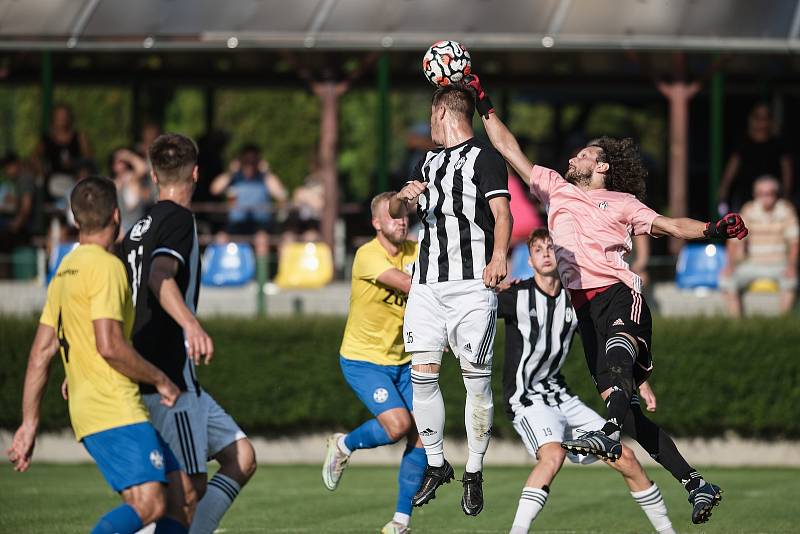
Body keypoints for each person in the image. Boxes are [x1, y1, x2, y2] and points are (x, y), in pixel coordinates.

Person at [467, 73, 748, 524]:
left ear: (602, 168)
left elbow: (674, 226)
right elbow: (508, 149)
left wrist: (713, 231)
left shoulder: (622, 202)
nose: (575, 157)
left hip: (621, 297)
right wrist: (483, 101)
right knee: (631, 411)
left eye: (585, 154)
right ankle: (698, 485)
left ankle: (609, 433)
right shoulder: (555, 187)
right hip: (584, 307)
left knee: (616, 377)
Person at [6, 176, 189, 534]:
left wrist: (29, 423)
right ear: (117, 216)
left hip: (90, 408)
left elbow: (41, 352)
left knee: (182, 495)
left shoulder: (65, 271)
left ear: (76, 220)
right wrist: (160, 379)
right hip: (113, 406)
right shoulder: (107, 267)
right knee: (149, 503)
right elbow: (109, 346)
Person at [388, 84, 513, 516]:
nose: (427, 121)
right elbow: (392, 212)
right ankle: (438, 464)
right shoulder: (426, 161)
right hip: (426, 283)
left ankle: (474, 470)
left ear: (443, 110)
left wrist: (499, 256)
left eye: (429, 112)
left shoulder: (485, 157)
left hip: (471, 285)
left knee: (475, 381)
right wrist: (401, 200)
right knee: (423, 375)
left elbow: (502, 213)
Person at [122, 134, 257, 534]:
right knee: (188, 489)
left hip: (171, 375)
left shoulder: (135, 228)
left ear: (151, 174)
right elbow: (160, 275)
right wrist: (192, 323)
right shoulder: (178, 219)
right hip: (168, 378)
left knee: (242, 457)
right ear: (196, 173)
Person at [500, 229, 676, 534]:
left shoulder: (574, 301)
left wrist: (639, 380)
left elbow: (604, 346)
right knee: (552, 455)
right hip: (527, 398)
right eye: (538, 249)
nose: (545, 253)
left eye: (550, 248)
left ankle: (668, 531)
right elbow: (476, 313)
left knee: (625, 456)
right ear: (528, 260)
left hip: (561, 395)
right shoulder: (516, 295)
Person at [322, 192, 425, 534]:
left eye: (404, 216)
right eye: (393, 217)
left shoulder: (415, 250)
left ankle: (400, 522)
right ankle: (343, 445)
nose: (401, 220)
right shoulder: (367, 255)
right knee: (397, 426)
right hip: (363, 360)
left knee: (424, 434)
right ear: (376, 224)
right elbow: (412, 285)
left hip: (405, 360)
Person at [720, 175, 799, 316]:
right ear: (755, 195)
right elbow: (734, 242)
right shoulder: (748, 210)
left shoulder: (786, 210)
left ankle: (783, 322)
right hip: (752, 263)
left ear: (777, 194)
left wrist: (792, 266)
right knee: (726, 279)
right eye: (761, 193)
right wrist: (730, 265)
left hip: (779, 264)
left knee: (791, 280)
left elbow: (794, 242)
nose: (766, 197)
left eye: (770, 193)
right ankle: (737, 324)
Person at [210, 144, 288, 257]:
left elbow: (281, 194)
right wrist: (230, 172)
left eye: (253, 161)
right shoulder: (234, 178)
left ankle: (262, 274)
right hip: (236, 225)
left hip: (260, 225)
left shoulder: (264, 178)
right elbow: (215, 189)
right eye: (246, 161)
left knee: (262, 240)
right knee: (220, 239)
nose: (249, 165)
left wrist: (267, 173)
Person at [718, 102, 793, 212]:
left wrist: (786, 195)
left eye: (766, 118)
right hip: (746, 197)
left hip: (772, 197)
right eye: (758, 117)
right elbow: (732, 169)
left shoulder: (779, 145)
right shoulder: (742, 144)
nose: (762, 122)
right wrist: (723, 190)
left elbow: (787, 172)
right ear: (751, 119)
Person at [35, 103, 92, 202]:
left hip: (75, 178)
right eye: (59, 116)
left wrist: (75, 164)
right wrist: (41, 170)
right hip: (52, 179)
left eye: (64, 116)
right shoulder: (47, 139)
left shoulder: (78, 137)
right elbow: (34, 157)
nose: (62, 119)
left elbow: (88, 158)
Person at [109, 147, 153, 236]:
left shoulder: (133, 179)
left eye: (122, 162)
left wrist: (127, 155)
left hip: (137, 227)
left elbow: (143, 168)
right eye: (117, 162)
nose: (120, 165)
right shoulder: (113, 183)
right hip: (121, 229)